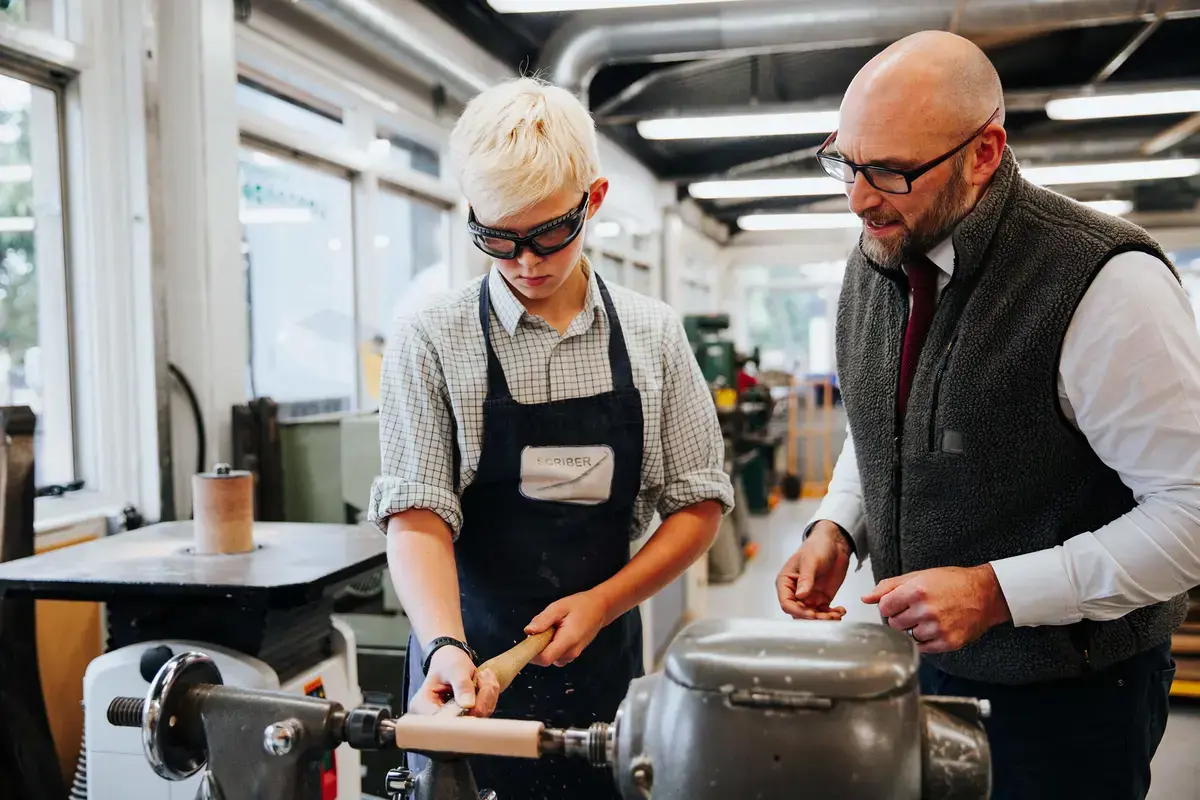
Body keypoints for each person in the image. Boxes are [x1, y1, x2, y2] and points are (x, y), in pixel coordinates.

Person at [775, 31, 1200, 800]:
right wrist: (839, 526)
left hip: (1070, 700)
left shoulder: (1102, 284)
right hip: (920, 671)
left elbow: (1192, 513)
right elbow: (888, 424)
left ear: (984, 153)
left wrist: (1000, 591)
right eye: (846, 161)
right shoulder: (878, 254)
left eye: (893, 171)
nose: (860, 196)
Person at [369, 77, 733, 799]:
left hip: (598, 670)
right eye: (496, 238)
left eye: (548, 235)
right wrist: (445, 644)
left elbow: (699, 504)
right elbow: (416, 513)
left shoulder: (654, 335)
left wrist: (605, 602)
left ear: (592, 201)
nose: (526, 262)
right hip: (461, 674)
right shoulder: (431, 339)